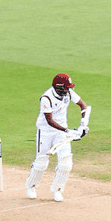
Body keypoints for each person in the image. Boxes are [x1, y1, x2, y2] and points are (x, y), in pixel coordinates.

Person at [27, 73, 89, 202]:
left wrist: (83, 125)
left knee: (66, 163)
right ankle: (31, 186)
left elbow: (83, 106)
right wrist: (68, 131)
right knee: (41, 162)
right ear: (58, 87)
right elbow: (49, 120)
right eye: (66, 87)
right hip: (46, 131)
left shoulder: (69, 93)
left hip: (61, 132)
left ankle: (57, 189)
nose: (68, 90)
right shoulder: (46, 98)